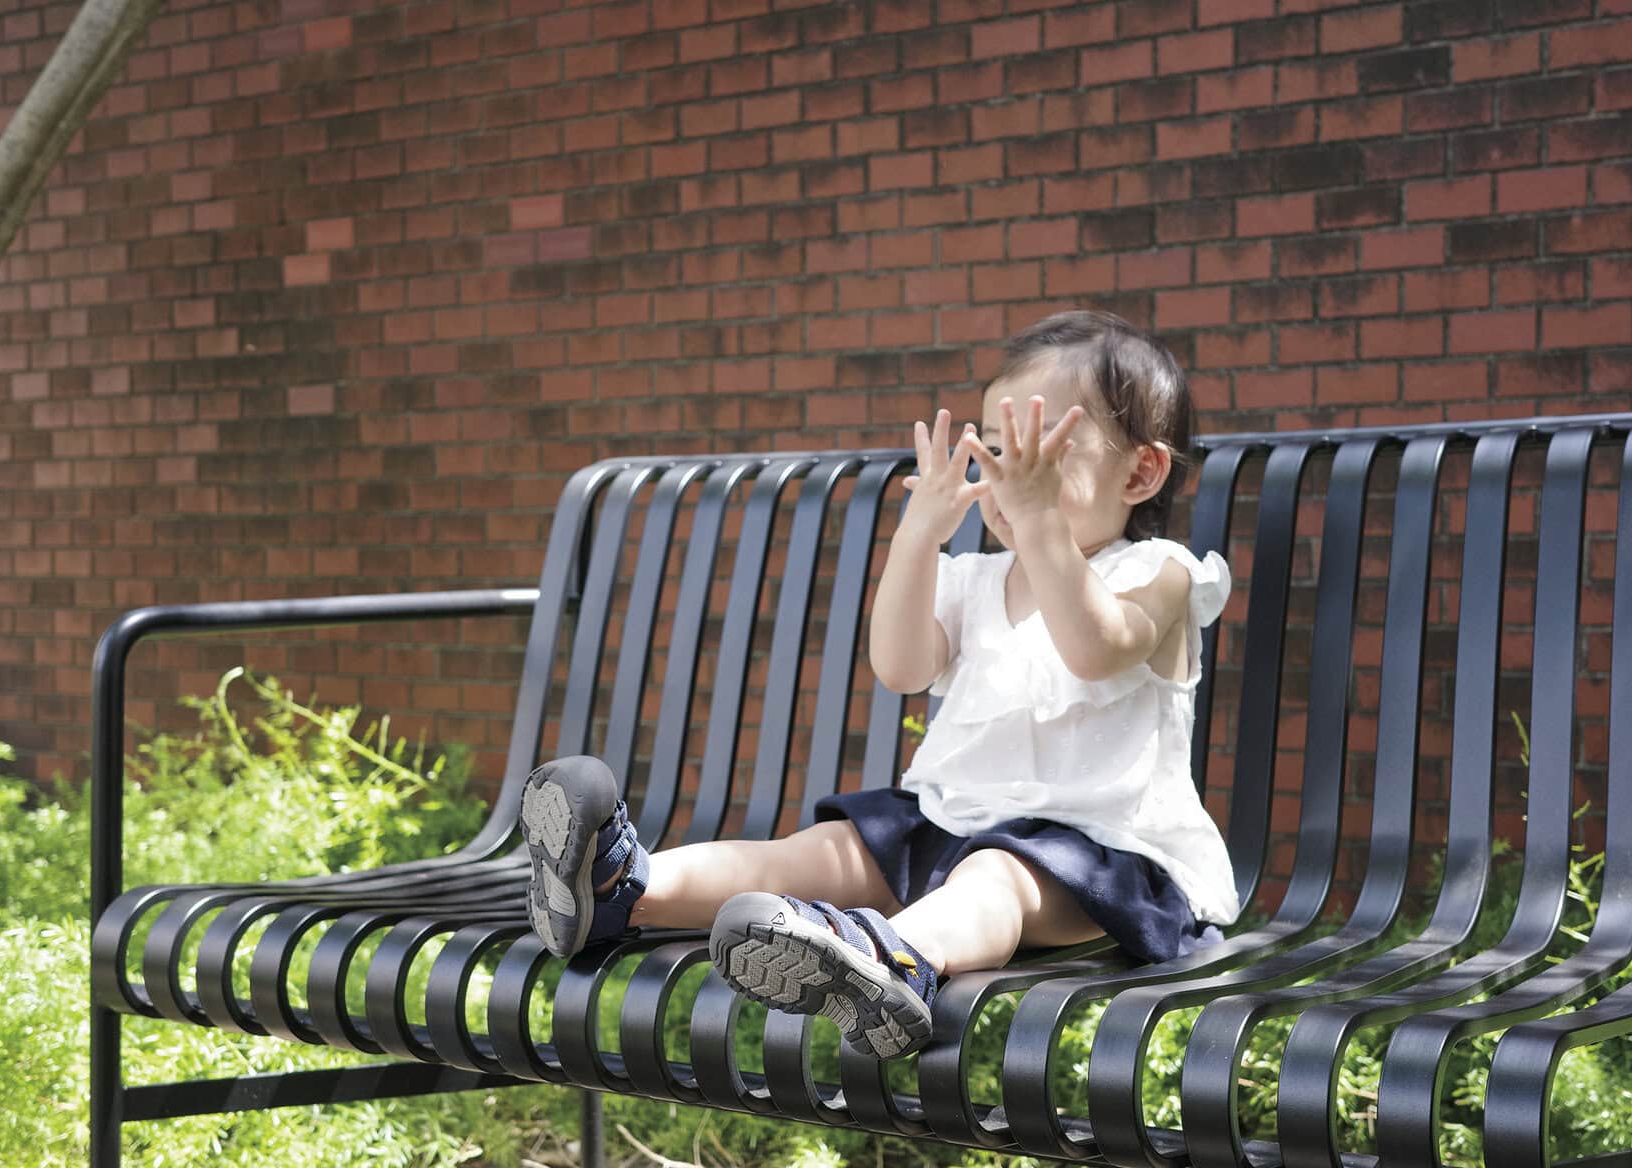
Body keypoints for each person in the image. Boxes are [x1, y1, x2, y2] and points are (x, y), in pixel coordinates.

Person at [517, 310, 1238, 1060]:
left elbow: (1097, 649)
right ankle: (620, 885)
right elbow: (901, 666)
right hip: (945, 820)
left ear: (1140, 473)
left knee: (994, 878)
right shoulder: (977, 580)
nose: (1010, 477)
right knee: (820, 852)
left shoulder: (1159, 574)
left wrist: (1039, 526)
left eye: (1040, 454)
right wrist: (919, 534)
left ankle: (891, 959)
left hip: (1094, 860)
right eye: (996, 451)